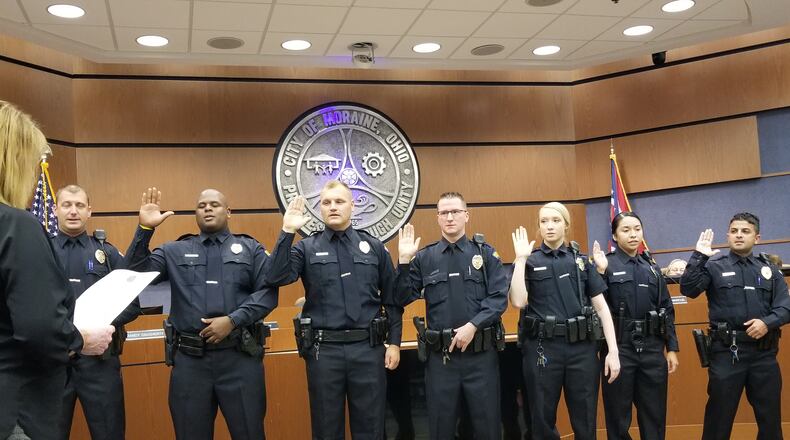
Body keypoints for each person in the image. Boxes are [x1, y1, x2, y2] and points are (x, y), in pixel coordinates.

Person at [0, 100, 113, 440]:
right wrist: (82, 339)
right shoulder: (16, 225)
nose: (36, 177)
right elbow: (38, 327)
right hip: (15, 408)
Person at [125, 187, 277, 440]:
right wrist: (145, 230)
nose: (207, 208)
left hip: (239, 358)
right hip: (190, 362)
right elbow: (133, 274)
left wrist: (233, 320)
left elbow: (268, 293)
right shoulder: (174, 251)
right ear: (195, 213)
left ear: (228, 212)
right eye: (201, 205)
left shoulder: (251, 249)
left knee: (250, 433)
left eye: (214, 204)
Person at [266, 181, 402, 440]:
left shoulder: (373, 247)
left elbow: (393, 298)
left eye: (339, 201)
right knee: (326, 429)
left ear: (352, 205)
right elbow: (275, 277)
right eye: (326, 203)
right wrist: (286, 232)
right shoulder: (306, 248)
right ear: (320, 209)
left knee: (372, 428)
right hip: (324, 352)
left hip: (368, 349)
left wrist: (394, 343)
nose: (333, 207)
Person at [397, 192, 508, 440]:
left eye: (455, 212)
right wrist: (404, 261)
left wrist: (473, 326)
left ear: (466, 216)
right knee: (441, 428)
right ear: (437, 218)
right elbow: (402, 296)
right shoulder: (425, 258)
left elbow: (499, 298)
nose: (449, 217)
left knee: (487, 427)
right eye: (444, 213)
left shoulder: (486, 254)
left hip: (480, 357)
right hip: (442, 359)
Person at [509, 202, 620, 440]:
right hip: (543, 348)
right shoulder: (530, 261)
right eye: (544, 221)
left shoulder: (580, 261)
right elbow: (518, 300)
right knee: (542, 418)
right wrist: (519, 260)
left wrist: (613, 351)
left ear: (566, 225)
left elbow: (601, 307)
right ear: (539, 227)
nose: (549, 226)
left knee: (585, 418)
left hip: (581, 349)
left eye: (556, 220)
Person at [680, 213, 790, 440]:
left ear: (756, 238)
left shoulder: (768, 268)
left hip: (764, 354)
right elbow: (688, 290)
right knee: (718, 419)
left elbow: (786, 307)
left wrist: (766, 323)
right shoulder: (714, 266)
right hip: (727, 353)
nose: (739, 235)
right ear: (728, 235)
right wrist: (699, 255)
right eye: (734, 231)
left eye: (745, 231)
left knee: (770, 420)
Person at [53, 184, 141, 440]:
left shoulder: (108, 253)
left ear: (89, 211)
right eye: (67, 205)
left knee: (109, 434)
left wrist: (96, 323)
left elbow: (133, 305)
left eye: (79, 205)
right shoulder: (42, 252)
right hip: (54, 363)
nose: (73, 211)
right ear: (56, 209)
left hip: (100, 363)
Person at [591, 212, 679, 440]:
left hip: (652, 348)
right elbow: (595, 307)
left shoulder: (651, 267)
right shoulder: (605, 264)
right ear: (614, 235)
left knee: (655, 415)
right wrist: (599, 272)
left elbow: (667, 309)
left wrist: (671, 348)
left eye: (637, 229)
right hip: (620, 348)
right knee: (618, 416)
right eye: (626, 230)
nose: (633, 234)